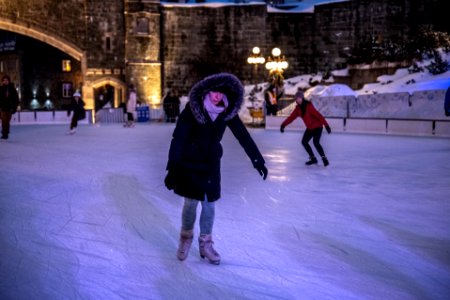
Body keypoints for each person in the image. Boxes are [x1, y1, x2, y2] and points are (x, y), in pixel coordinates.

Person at [164, 73, 268, 265]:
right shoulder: (192, 110)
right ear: (207, 91)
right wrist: (173, 167)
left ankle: (206, 244)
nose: (217, 97)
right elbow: (178, 138)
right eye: (214, 92)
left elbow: (242, 135)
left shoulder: (226, 111)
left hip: (211, 163)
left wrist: (257, 160)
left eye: (221, 93)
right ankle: (185, 238)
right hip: (191, 163)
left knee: (209, 204)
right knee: (191, 203)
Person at [280, 91, 331, 166]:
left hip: (317, 126)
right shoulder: (298, 109)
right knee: (304, 142)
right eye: (297, 98)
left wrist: (326, 125)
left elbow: (318, 115)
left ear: (302, 98)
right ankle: (313, 158)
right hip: (310, 128)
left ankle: (324, 158)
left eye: (300, 98)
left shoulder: (308, 106)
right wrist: (283, 125)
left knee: (316, 142)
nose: (298, 100)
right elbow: (291, 118)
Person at [0, 75, 19, 140]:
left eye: (6, 80)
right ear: (2, 81)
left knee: (7, 121)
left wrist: (14, 108)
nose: (5, 81)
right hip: (2, 108)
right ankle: (4, 134)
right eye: (4, 80)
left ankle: (6, 132)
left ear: (8, 81)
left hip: (9, 108)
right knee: (4, 121)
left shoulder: (12, 89)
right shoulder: (1, 89)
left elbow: (16, 99)